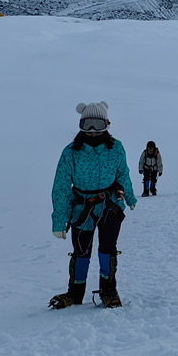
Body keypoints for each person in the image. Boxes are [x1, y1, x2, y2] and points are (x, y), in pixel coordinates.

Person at [49, 101, 138, 309]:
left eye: (97, 124)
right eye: (87, 124)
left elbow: (123, 174)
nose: (92, 130)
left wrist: (130, 198)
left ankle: (108, 289)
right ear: (80, 124)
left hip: (110, 206)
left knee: (108, 248)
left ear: (106, 123)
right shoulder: (71, 152)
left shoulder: (116, 148)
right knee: (81, 250)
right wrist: (59, 220)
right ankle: (75, 292)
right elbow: (61, 187)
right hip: (81, 209)